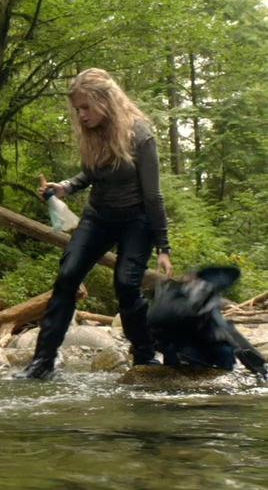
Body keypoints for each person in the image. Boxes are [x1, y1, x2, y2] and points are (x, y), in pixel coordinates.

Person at [17, 68, 174, 380]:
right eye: (77, 110)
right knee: (67, 276)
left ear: (106, 101)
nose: (81, 115)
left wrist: (163, 247)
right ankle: (42, 362)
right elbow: (90, 174)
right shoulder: (92, 133)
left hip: (136, 221)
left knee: (126, 285)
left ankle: (145, 356)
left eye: (86, 107)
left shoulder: (140, 134)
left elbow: (153, 195)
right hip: (99, 217)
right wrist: (65, 187)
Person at [148, 266, 268, 381]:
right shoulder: (170, 300)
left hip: (205, 346)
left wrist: (260, 369)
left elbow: (231, 336)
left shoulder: (204, 299)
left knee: (223, 350)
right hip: (184, 348)